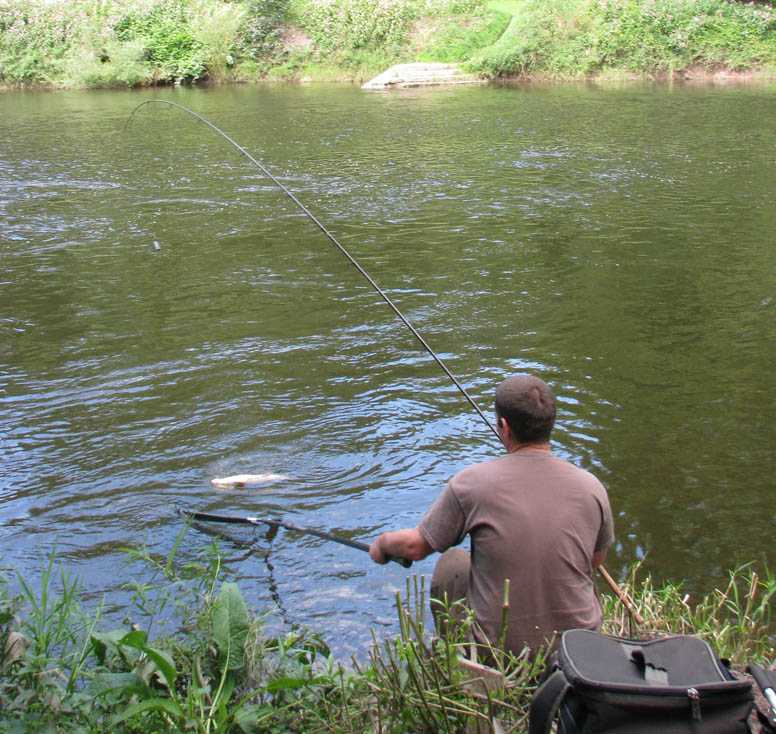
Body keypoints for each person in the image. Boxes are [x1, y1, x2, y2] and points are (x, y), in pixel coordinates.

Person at [369, 374, 615, 656]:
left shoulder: (472, 483)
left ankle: (464, 660)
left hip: (500, 656)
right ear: (550, 424)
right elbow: (595, 560)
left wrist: (382, 545)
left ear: (504, 427)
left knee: (453, 564)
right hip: (579, 653)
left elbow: (415, 546)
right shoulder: (591, 487)